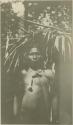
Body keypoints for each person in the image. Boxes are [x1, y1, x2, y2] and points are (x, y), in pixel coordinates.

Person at [13, 33, 56, 124]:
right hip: (25, 116)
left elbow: (54, 96)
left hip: (43, 117)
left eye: (37, 54)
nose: (34, 56)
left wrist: (54, 117)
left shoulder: (49, 73)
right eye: (32, 54)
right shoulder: (23, 74)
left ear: (41, 55)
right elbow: (17, 96)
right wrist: (16, 115)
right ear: (27, 56)